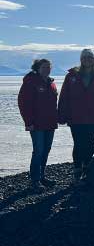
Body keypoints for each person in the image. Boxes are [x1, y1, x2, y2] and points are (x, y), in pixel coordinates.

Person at [57, 49, 94, 183]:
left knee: (89, 143)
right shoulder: (72, 76)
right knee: (78, 143)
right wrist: (62, 115)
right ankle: (77, 171)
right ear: (81, 59)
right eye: (85, 57)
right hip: (75, 117)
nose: (87, 59)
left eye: (90, 57)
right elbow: (64, 96)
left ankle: (87, 171)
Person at [17, 59, 59, 192]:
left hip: (50, 123)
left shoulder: (51, 83)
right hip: (36, 124)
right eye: (44, 67)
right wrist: (28, 122)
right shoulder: (31, 82)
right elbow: (23, 103)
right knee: (38, 151)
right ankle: (35, 181)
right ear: (37, 68)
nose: (47, 69)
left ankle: (42, 177)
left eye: (48, 67)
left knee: (46, 150)